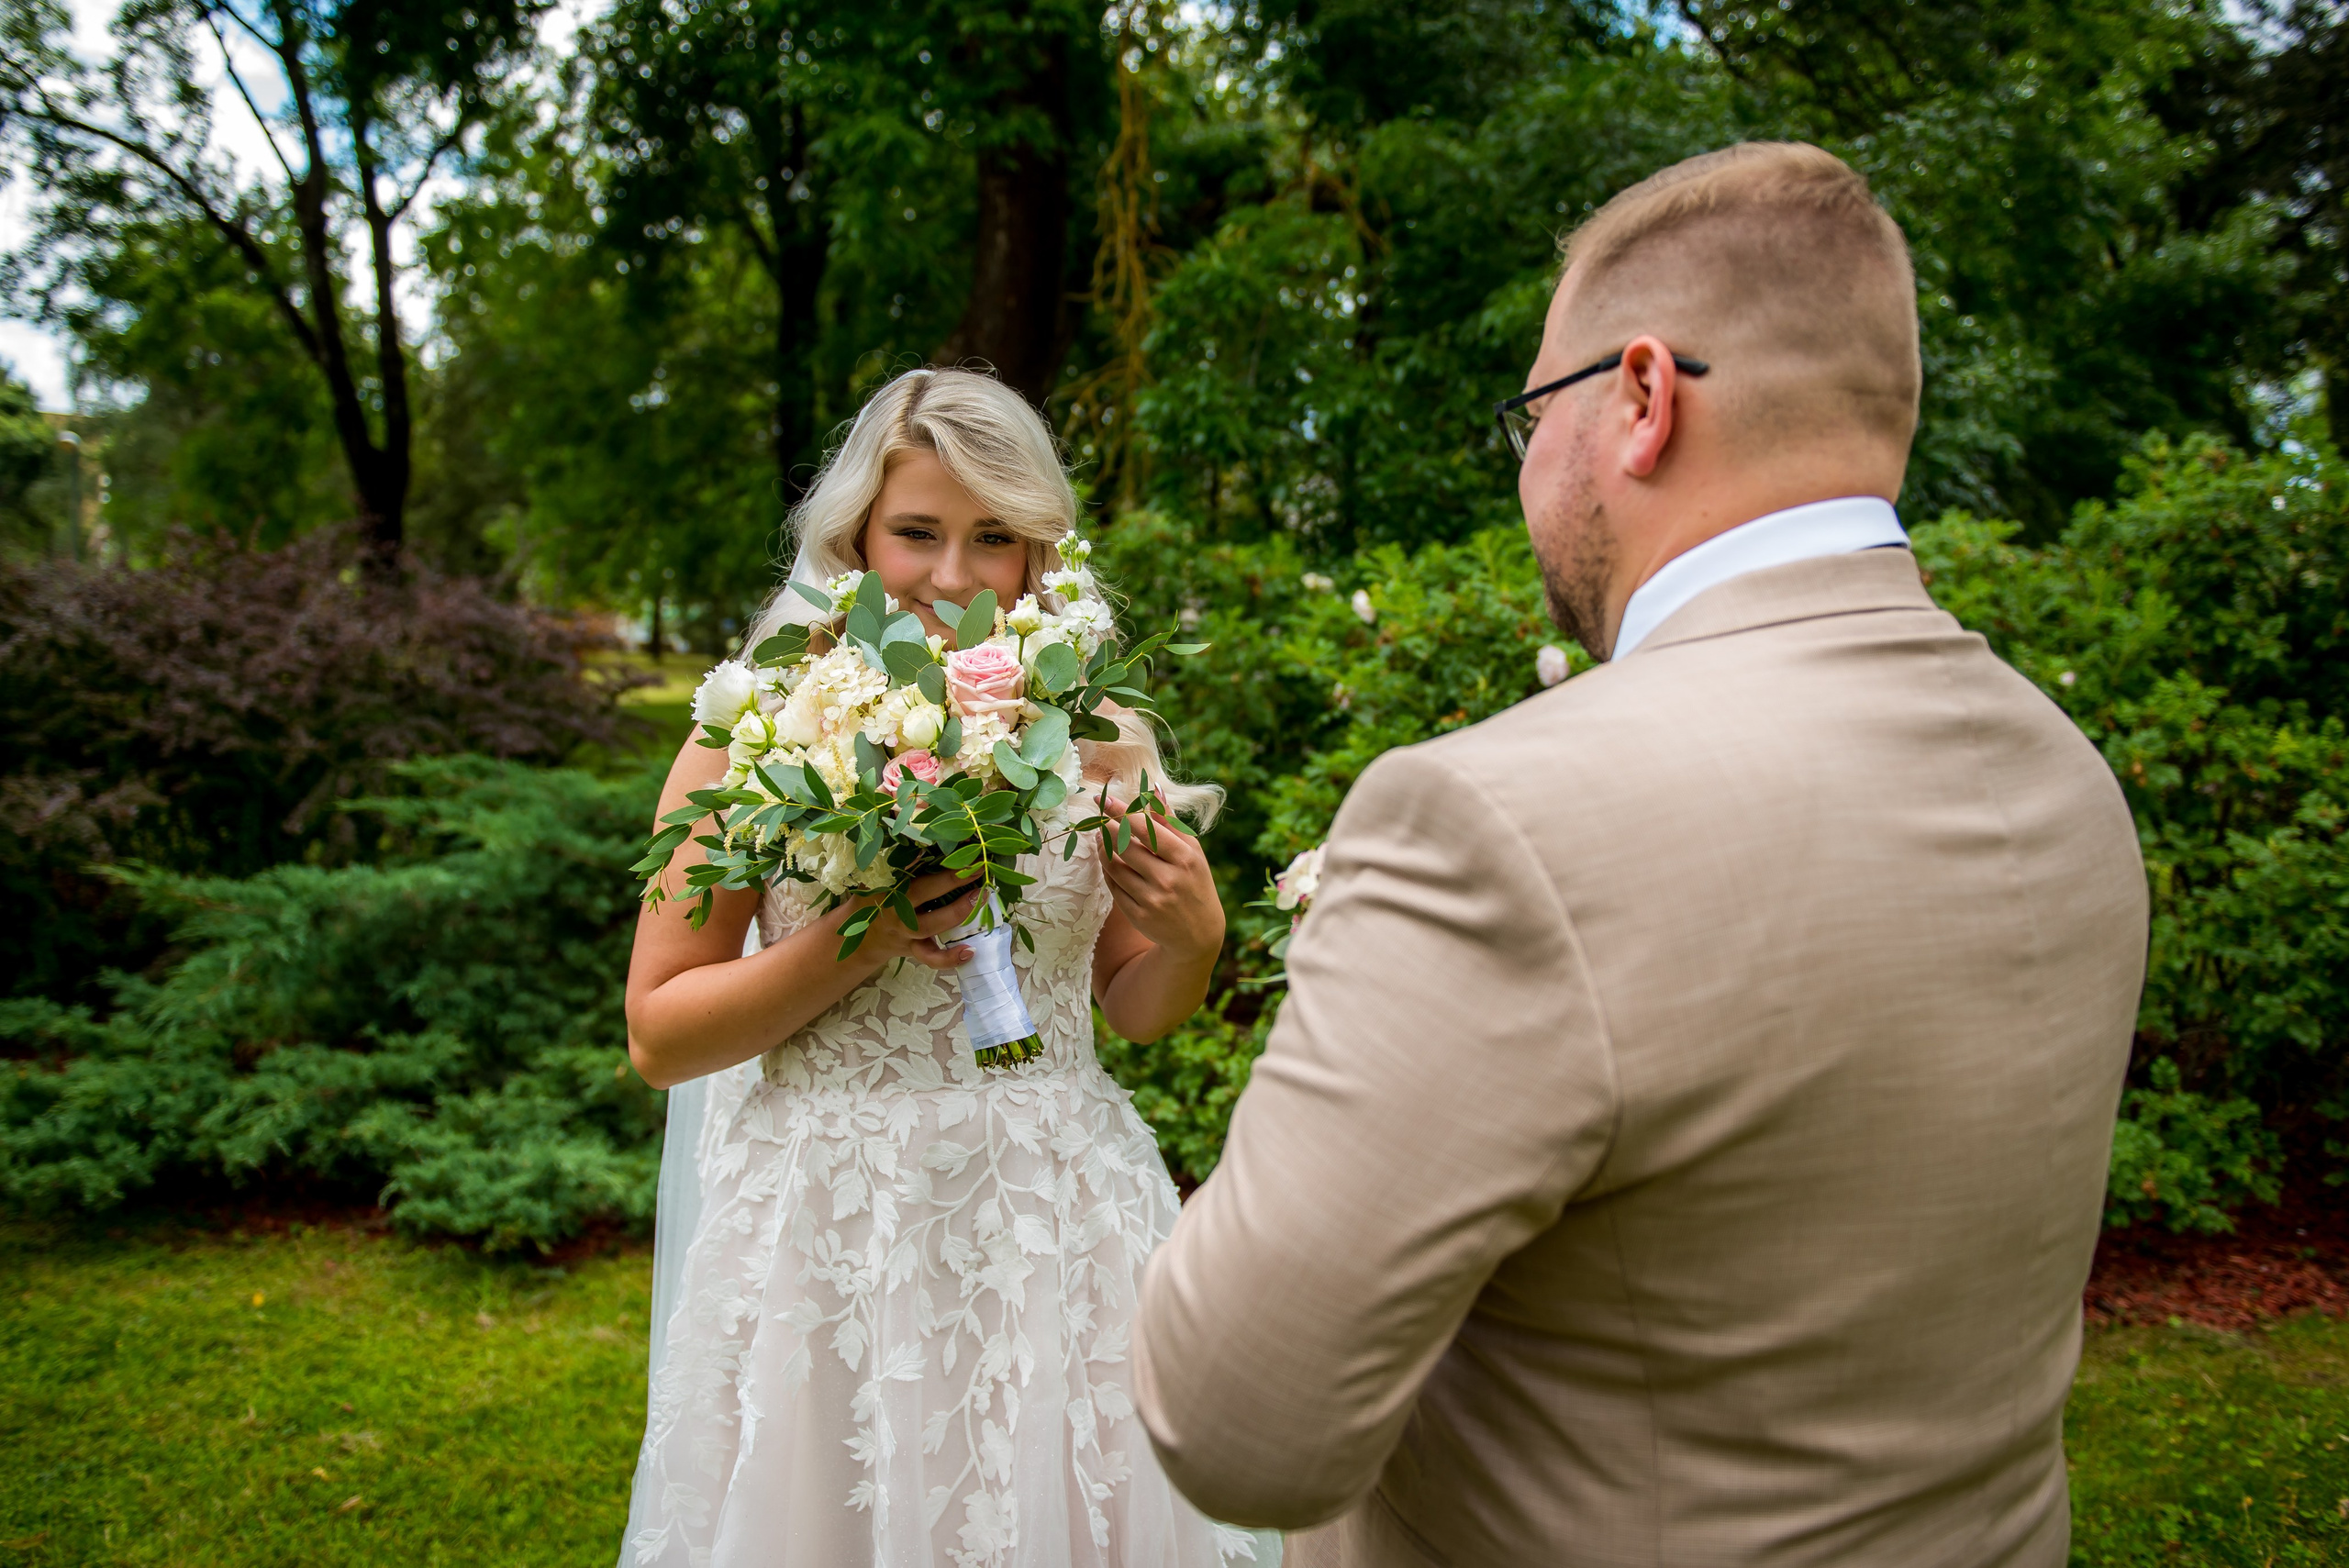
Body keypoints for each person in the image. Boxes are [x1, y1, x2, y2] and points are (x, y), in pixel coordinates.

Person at [1133, 141, 2150, 1567]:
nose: (1528, 466)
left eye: (1531, 411)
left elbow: (1237, 1425)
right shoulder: (2066, 771)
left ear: (1640, 396)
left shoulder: (1496, 823)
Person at [619, 367, 1264, 1567]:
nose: (956, 575)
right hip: (834, 1233)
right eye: (918, 531)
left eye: (995, 538)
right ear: (857, 536)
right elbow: (662, 1032)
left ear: (1038, 555)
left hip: (1051, 1223)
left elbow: (1135, 1007)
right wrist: (855, 933)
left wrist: (1191, 938)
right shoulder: (753, 728)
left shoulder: (1099, 736)